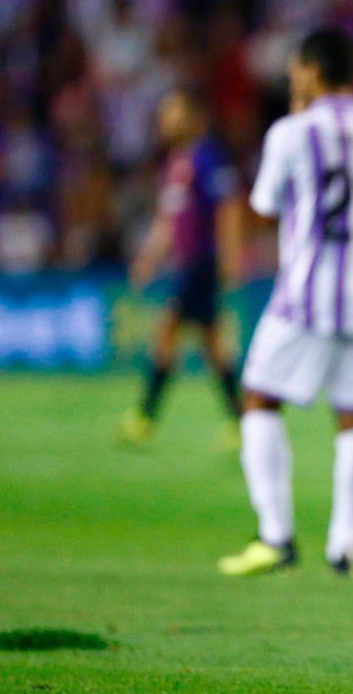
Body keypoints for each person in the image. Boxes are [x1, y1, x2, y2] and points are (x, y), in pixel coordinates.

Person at [217, 28, 353, 578]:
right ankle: (345, 547)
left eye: (296, 68)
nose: (291, 77)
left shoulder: (292, 132)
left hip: (307, 292)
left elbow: (266, 205)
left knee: (258, 399)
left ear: (314, 72)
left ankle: (275, 535)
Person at [119, 89, 244, 449]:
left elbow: (229, 207)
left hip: (202, 263)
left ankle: (144, 418)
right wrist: (149, 258)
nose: (164, 120)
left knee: (167, 332)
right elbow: (168, 220)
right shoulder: (176, 164)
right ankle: (242, 421)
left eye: (171, 112)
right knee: (213, 346)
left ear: (191, 116)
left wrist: (231, 257)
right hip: (188, 264)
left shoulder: (208, 158)